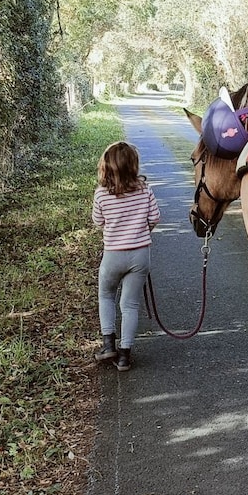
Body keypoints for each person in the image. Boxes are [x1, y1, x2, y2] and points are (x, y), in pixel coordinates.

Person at [93, 141, 160, 371]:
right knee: (130, 304)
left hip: (113, 255)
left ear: (107, 166)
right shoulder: (145, 190)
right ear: (134, 166)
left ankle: (108, 343)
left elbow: (98, 221)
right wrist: (141, 232)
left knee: (106, 295)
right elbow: (154, 218)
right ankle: (124, 355)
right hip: (140, 256)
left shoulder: (101, 194)